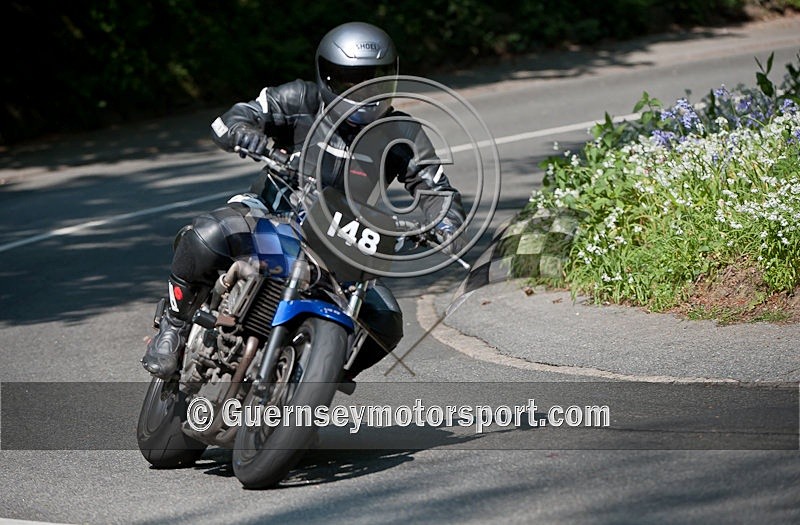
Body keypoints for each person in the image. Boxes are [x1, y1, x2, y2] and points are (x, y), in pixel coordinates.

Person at [141, 21, 466, 380]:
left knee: (385, 320)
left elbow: (436, 187)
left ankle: (314, 378)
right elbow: (232, 119)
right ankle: (173, 326)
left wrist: (444, 221)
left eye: (375, 79)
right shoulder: (300, 99)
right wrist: (246, 134)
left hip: (341, 238)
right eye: (348, 80)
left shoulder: (401, 132)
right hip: (271, 211)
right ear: (326, 75)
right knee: (208, 234)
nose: (361, 92)